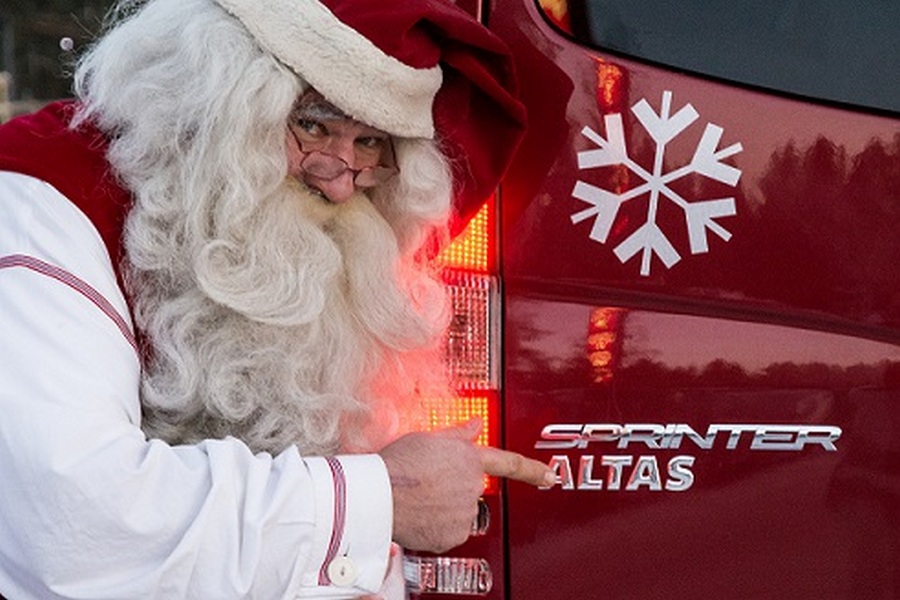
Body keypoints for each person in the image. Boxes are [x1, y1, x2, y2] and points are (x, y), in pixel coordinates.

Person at [0, 0, 552, 598]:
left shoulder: (321, 239)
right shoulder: (42, 204)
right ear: (211, 97)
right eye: (313, 125)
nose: (340, 180)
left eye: (369, 142)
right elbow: (73, 524)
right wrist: (376, 500)